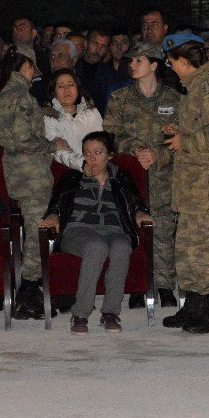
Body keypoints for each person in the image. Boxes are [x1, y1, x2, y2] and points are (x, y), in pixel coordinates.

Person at [39, 131, 153, 335]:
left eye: (98, 152)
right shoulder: (73, 176)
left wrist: (141, 214)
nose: (92, 158)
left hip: (114, 230)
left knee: (122, 246)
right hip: (78, 231)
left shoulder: (121, 176)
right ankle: (80, 314)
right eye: (87, 153)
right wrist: (54, 216)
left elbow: (136, 203)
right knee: (96, 246)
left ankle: (110, 312)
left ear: (110, 155)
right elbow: (57, 203)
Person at [160, 33, 209, 334]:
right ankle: (193, 305)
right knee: (188, 248)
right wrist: (179, 131)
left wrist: (185, 141)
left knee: (205, 249)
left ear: (183, 61)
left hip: (207, 184)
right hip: (191, 184)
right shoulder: (193, 88)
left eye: (171, 62)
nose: (170, 67)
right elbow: (200, 126)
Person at [0, 44, 69, 320]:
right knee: (38, 233)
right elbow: (24, 138)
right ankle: (28, 290)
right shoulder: (19, 95)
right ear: (27, 67)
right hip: (30, 175)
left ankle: (31, 290)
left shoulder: (6, 94)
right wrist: (51, 145)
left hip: (21, 173)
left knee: (37, 230)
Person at [102, 40, 181, 308]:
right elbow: (110, 135)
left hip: (163, 176)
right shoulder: (120, 99)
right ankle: (138, 285)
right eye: (131, 61)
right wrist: (136, 149)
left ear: (154, 65)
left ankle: (166, 286)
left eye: (138, 61)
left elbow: (185, 140)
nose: (132, 65)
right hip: (131, 177)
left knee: (164, 231)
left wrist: (159, 155)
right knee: (131, 231)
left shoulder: (175, 98)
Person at [43, 69, 103, 170]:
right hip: (68, 172)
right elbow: (59, 153)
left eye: (71, 85)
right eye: (61, 86)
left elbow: (103, 144)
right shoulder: (49, 119)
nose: (66, 89)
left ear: (78, 89)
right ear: (54, 93)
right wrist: (84, 165)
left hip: (98, 167)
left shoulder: (92, 113)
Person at [91, 30, 133, 114]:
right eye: (114, 43)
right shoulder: (101, 72)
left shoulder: (136, 71)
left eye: (123, 43)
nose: (119, 47)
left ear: (130, 45)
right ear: (109, 47)